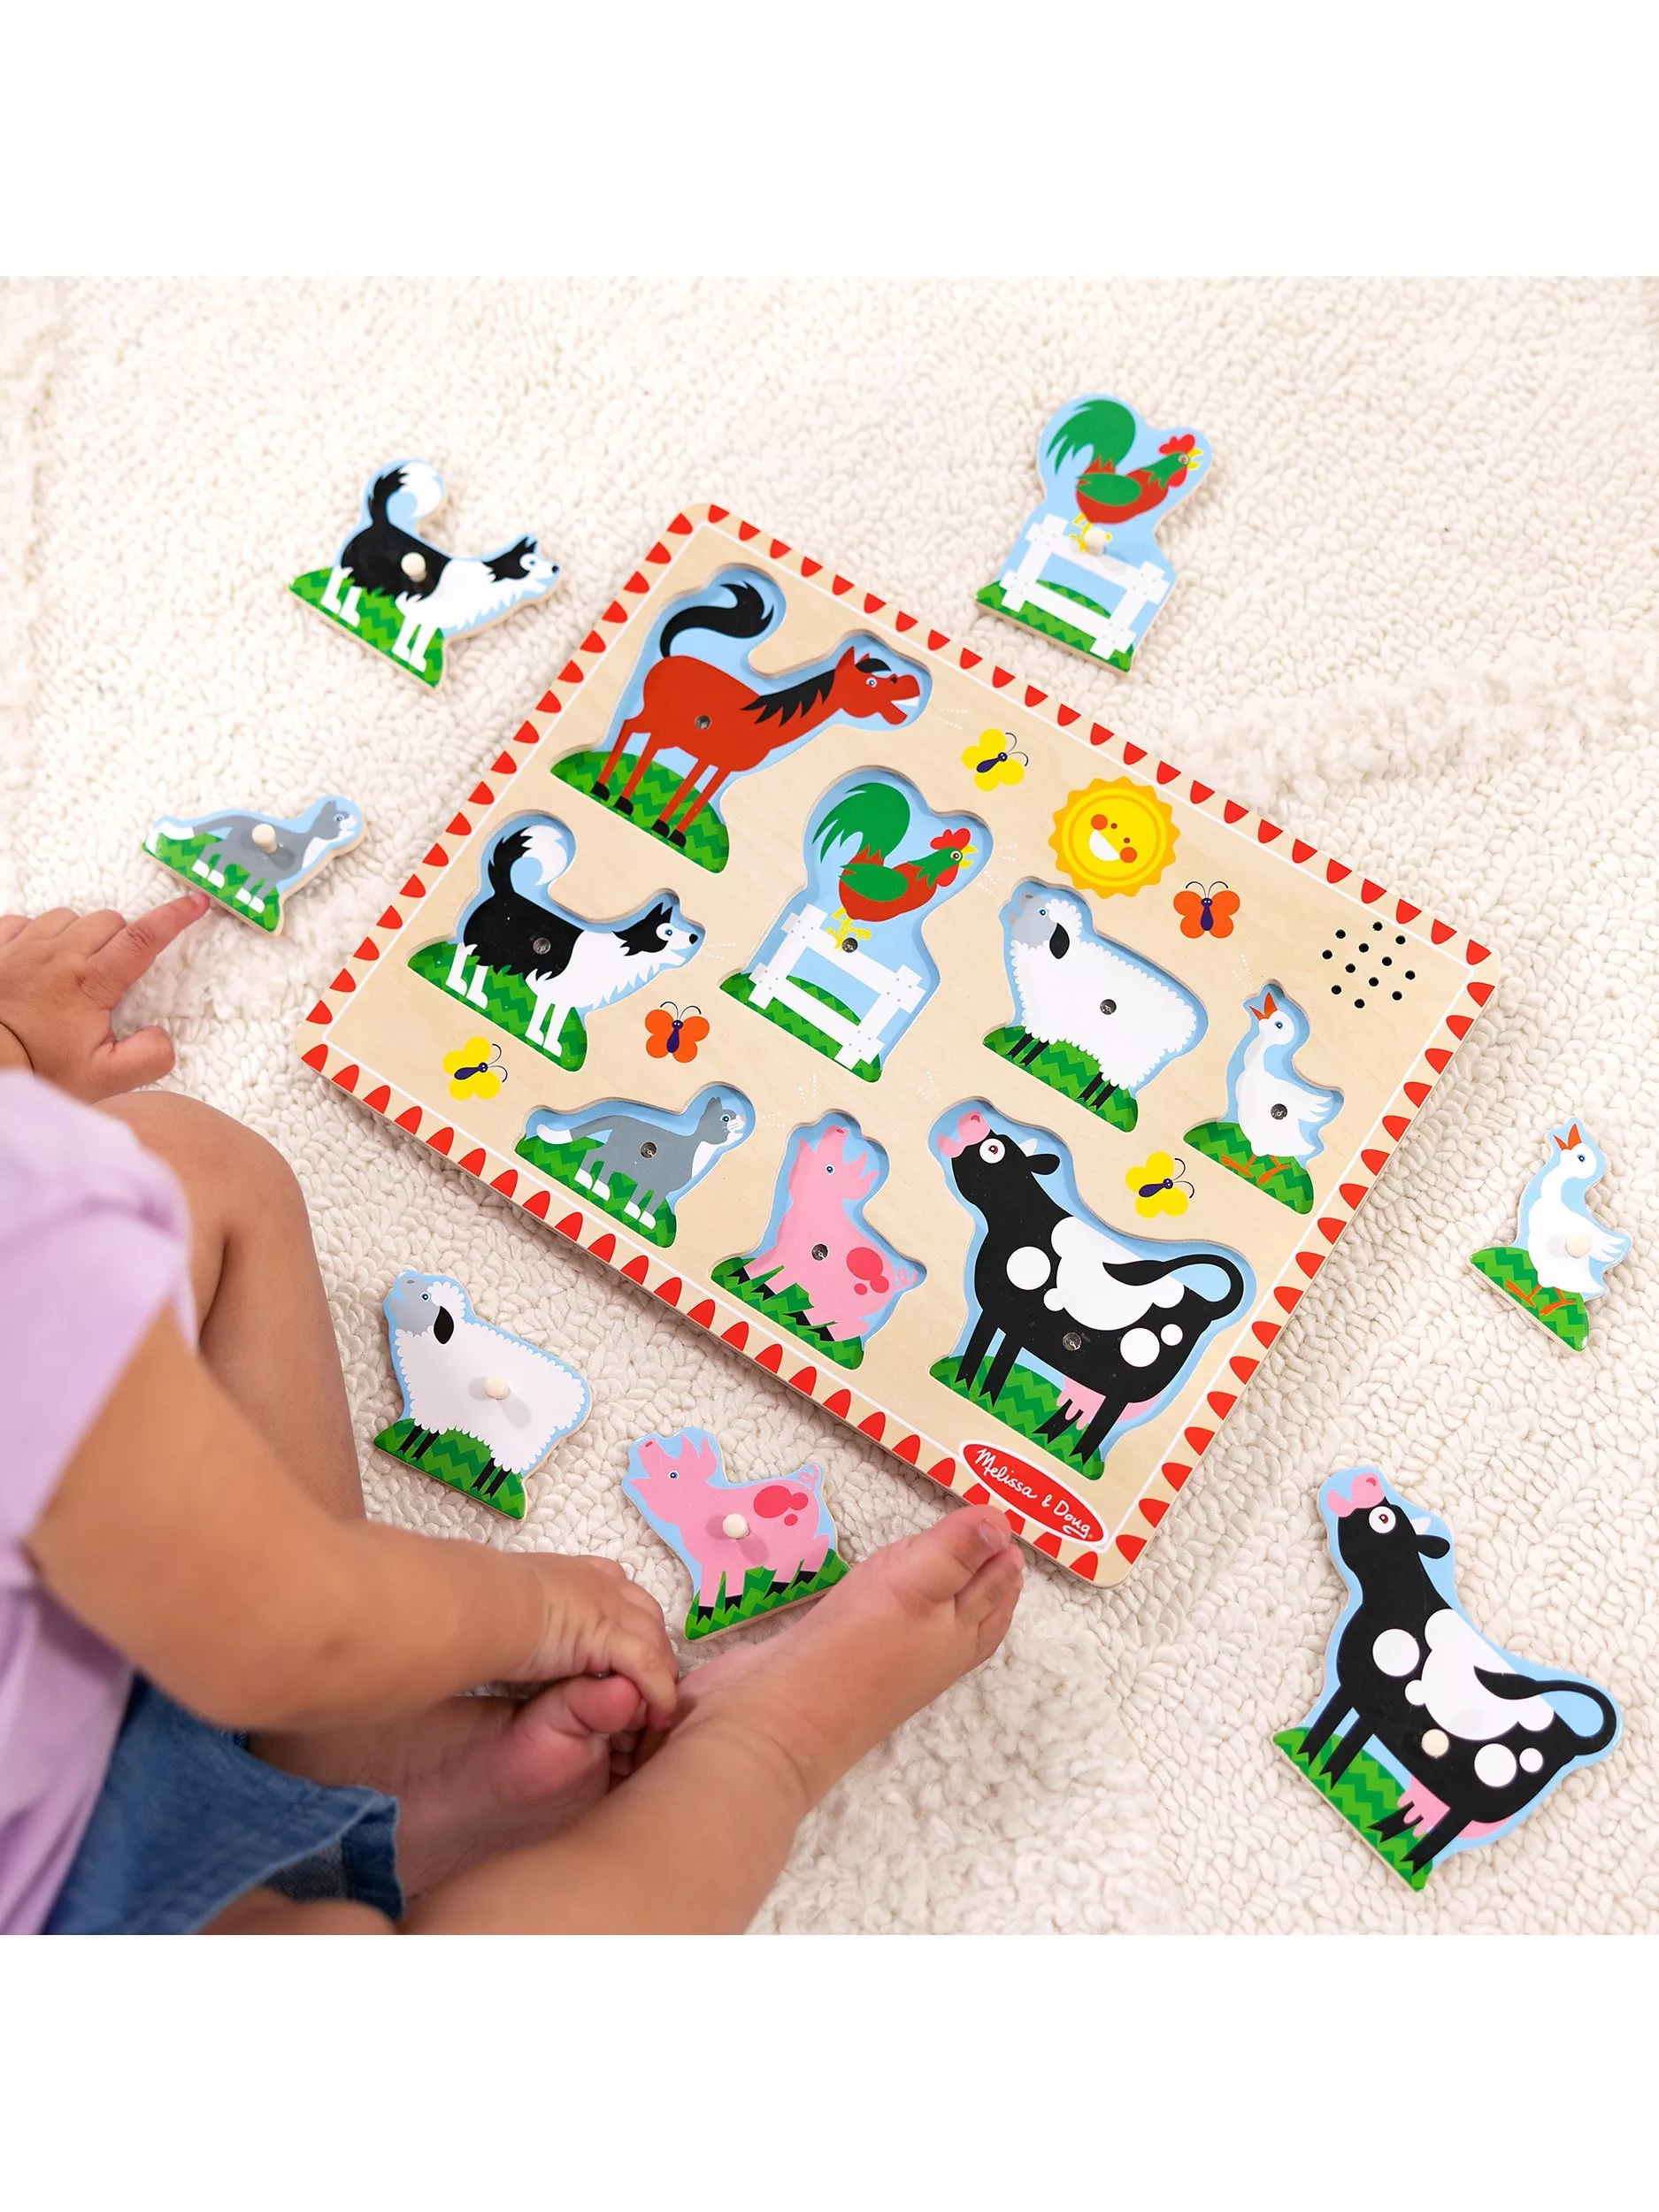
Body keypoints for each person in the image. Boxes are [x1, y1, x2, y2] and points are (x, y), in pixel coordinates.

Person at [0, 893, 1021, 1933]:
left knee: (180, 1161)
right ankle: (771, 1747)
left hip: (80, 1672)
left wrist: (18, 1057)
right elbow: (279, 1623)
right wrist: (533, 1609)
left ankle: (331, 1747)